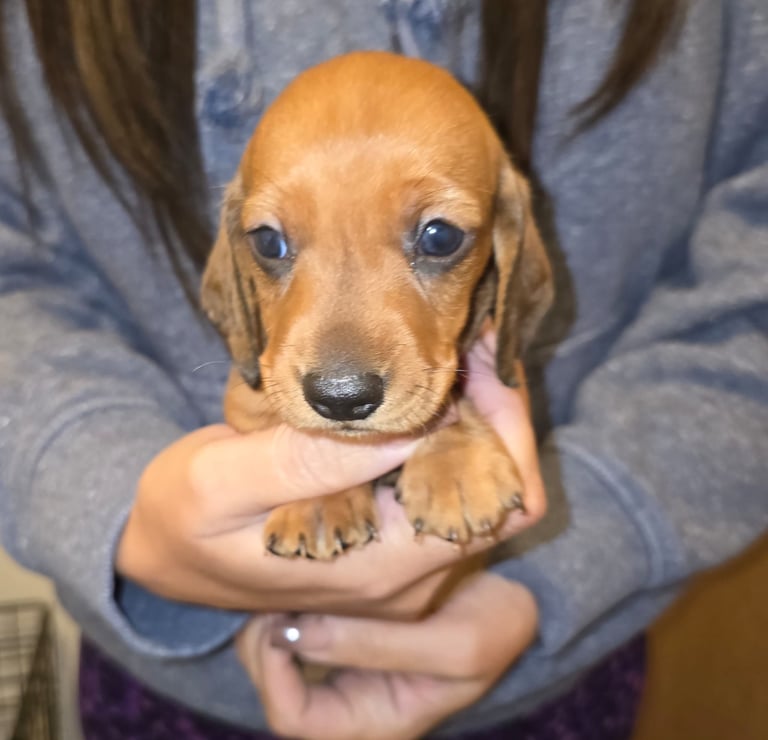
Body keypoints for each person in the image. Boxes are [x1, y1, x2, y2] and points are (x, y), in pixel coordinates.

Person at [0, 1, 766, 738]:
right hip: (170, 681)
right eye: (273, 244)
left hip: (554, 669)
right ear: (236, 260)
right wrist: (117, 506)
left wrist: (561, 521)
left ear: (506, 248)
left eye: (436, 239)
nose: (342, 371)